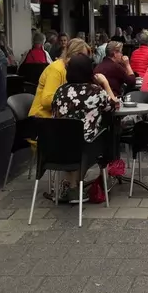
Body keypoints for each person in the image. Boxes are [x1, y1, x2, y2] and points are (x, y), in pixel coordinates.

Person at [52, 53, 118, 203]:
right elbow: (113, 106)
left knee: (72, 138)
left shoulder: (60, 92)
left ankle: (71, 187)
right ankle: (102, 179)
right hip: (87, 146)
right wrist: (105, 84)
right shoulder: (95, 91)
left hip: (58, 145)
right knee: (106, 133)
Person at [29, 38, 90, 119]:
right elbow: (46, 101)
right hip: (41, 118)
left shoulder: (72, 70)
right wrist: (72, 99)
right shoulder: (56, 69)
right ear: (72, 54)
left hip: (59, 116)